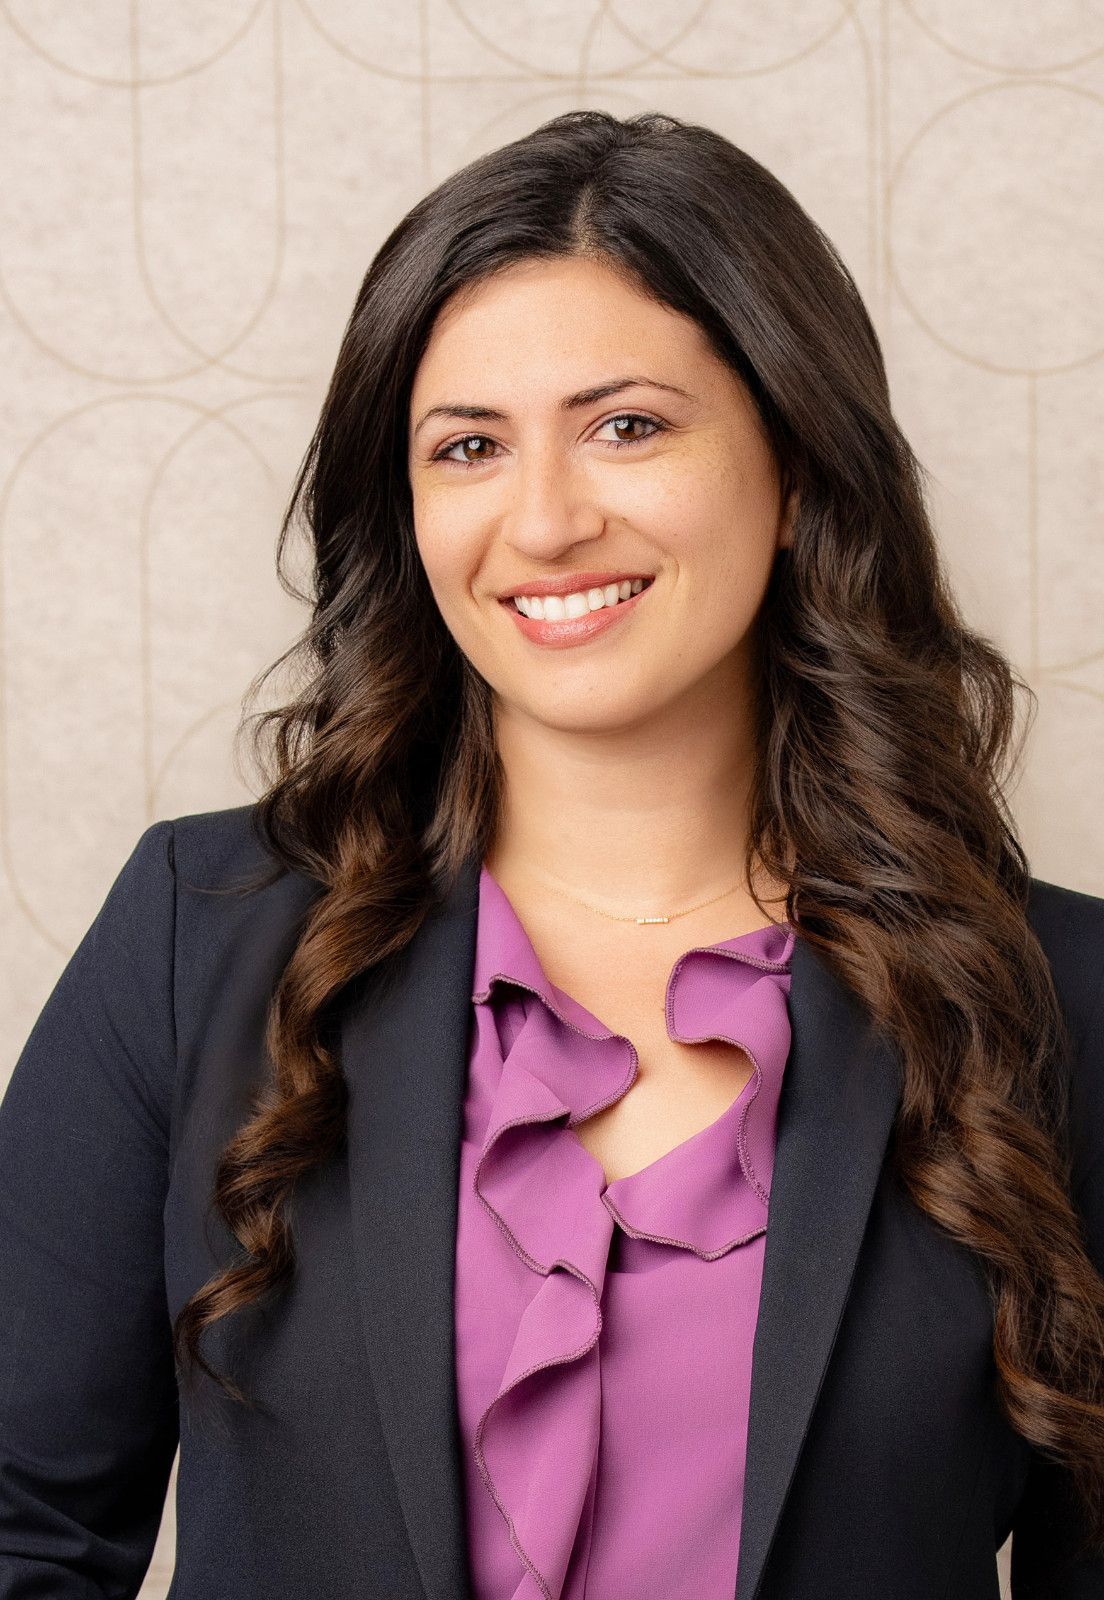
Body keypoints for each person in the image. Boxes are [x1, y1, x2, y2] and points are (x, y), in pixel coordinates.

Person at [0, 108, 1101, 1600]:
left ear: (795, 469)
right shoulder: (196, 944)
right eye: (467, 448)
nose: (545, 519)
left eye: (628, 425)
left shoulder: (1056, 1001)